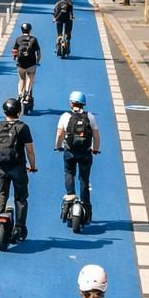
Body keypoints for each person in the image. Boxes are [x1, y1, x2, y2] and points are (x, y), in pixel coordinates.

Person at [0, 97, 37, 242]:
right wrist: (33, 167)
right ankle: (20, 227)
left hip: (1, 167)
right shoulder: (23, 127)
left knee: (1, 193)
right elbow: (29, 151)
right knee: (21, 198)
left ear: (5, 111)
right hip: (18, 167)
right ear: (19, 111)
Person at [55, 90, 100, 221]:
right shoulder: (90, 116)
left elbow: (59, 135)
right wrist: (95, 149)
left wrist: (58, 146)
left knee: (69, 172)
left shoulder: (65, 116)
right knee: (84, 179)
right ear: (83, 104)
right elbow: (96, 136)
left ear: (71, 103)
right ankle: (86, 206)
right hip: (85, 152)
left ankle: (70, 196)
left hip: (70, 152)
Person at [13, 22, 41, 106]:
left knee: (21, 79)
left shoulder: (18, 39)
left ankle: (20, 94)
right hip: (31, 62)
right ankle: (27, 93)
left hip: (21, 63)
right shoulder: (34, 39)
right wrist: (37, 62)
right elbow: (38, 52)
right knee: (30, 76)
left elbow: (14, 51)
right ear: (30, 30)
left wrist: (15, 59)